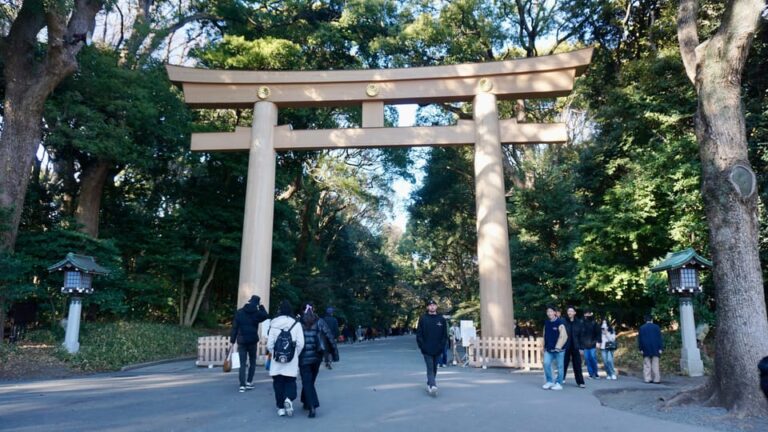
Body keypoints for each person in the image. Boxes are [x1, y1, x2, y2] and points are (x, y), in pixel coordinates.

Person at [298, 304, 338, 418]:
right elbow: (330, 337)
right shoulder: (320, 321)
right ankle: (307, 402)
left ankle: (311, 405)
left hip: (303, 357)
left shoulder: (298, 323)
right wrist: (335, 354)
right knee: (310, 381)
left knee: (307, 381)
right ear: (313, 310)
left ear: (303, 311)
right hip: (317, 357)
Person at [267, 300, 305, 417]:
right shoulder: (296, 324)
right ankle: (288, 399)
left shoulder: (273, 324)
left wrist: (274, 353)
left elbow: (270, 344)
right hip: (291, 359)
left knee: (278, 383)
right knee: (290, 381)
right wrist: (295, 354)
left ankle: (280, 408)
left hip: (277, 360)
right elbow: (301, 343)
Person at [229, 295, 269, 392]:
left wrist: (232, 340)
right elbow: (265, 315)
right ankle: (249, 382)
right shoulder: (257, 313)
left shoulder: (239, 312)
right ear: (257, 303)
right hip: (252, 341)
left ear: (249, 301)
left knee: (242, 363)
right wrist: (261, 306)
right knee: (252, 362)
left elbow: (234, 327)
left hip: (242, 341)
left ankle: (242, 385)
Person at [416, 299, 447, 396]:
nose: (432, 306)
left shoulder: (441, 319)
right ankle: (433, 385)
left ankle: (430, 383)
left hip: (438, 348)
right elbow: (419, 334)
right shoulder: (423, 318)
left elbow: (444, 335)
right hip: (427, 349)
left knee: (434, 368)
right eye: (430, 305)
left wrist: (442, 346)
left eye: (434, 305)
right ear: (427, 307)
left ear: (436, 306)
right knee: (430, 367)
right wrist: (422, 346)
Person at [542, 305, 568, 390]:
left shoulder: (560, 322)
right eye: (548, 312)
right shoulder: (546, 322)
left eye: (551, 311)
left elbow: (563, 335)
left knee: (560, 367)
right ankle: (549, 381)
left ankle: (558, 383)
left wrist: (558, 347)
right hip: (548, 349)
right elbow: (544, 335)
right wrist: (544, 346)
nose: (549, 313)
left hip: (559, 350)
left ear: (554, 313)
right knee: (546, 363)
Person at [562, 306, 586, 388]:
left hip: (576, 346)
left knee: (577, 365)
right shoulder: (563, 321)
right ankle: (561, 379)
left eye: (571, 311)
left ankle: (580, 382)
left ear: (574, 313)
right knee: (563, 363)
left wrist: (581, 348)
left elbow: (581, 336)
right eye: (568, 311)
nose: (569, 312)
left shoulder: (579, 323)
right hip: (565, 346)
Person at [638, 314, 663, 383]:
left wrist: (641, 349)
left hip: (645, 347)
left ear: (645, 320)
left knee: (647, 364)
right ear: (652, 320)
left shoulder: (642, 328)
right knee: (655, 364)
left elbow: (640, 339)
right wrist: (660, 348)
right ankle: (656, 379)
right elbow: (659, 338)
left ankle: (647, 378)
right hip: (655, 347)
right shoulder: (656, 327)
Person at [582, 308, 602, 379]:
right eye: (586, 313)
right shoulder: (582, 323)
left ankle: (595, 373)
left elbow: (598, 333)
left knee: (593, 358)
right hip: (585, 345)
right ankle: (590, 374)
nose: (587, 315)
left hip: (593, 344)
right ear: (584, 314)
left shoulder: (594, 323)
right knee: (587, 359)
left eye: (588, 313)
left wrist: (598, 342)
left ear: (591, 314)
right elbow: (580, 334)